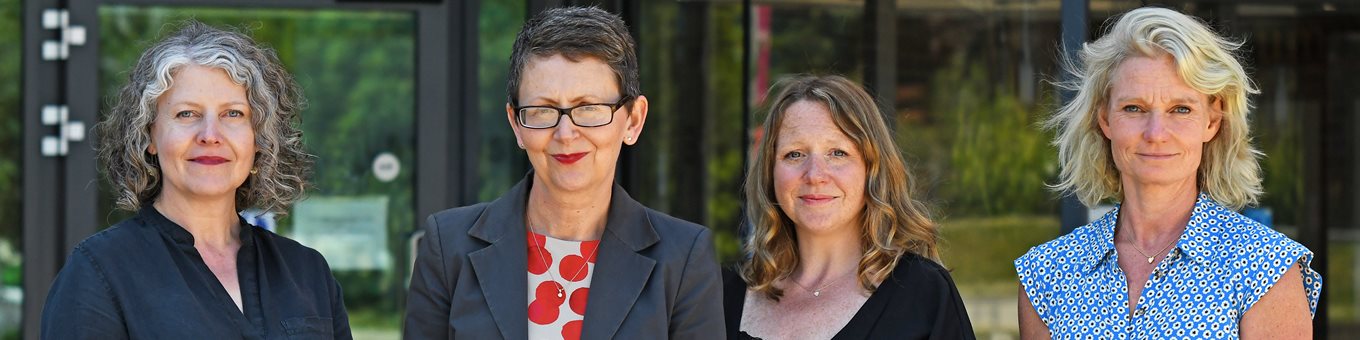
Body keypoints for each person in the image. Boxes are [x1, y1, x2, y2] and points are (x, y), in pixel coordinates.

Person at [403, 6, 724, 339]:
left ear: (633, 120)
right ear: (516, 123)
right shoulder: (448, 246)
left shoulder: (683, 258)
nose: (566, 133)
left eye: (588, 108)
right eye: (543, 110)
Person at [1016, 7, 1322, 339]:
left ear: (1212, 121)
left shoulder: (1265, 268)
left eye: (1180, 109)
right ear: (1105, 119)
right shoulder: (1047, 273)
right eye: (1134, 108)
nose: (1156, 132)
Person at [41, 21, 350, 338]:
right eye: (186, 114)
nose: (210, 135)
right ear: (148, 134)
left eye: (233, 114)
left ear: (259, 138)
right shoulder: (99, 273)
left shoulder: (307, 272)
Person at [724, 75, 975, 339]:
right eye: (794, 154)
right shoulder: (722, 297)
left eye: (838, 153)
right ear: (770, 172)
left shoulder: (923, 293)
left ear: (872, 169)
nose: (815, 175)